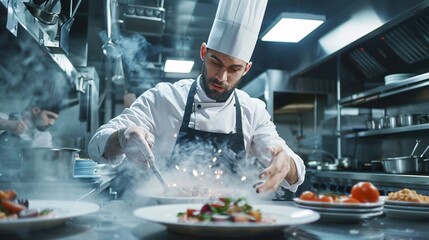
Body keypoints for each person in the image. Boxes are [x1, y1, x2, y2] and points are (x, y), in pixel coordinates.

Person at [89, 0, 305, 194]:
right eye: (216, 62)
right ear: (203, 52)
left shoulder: (254, 110)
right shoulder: (164, 97)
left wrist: (286, 163)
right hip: (163, 215)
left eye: (234, 69)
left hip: (226, 220)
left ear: (246, 69)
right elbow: (96, 145)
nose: (222, 77)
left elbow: (293, 170)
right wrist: (122, 137)